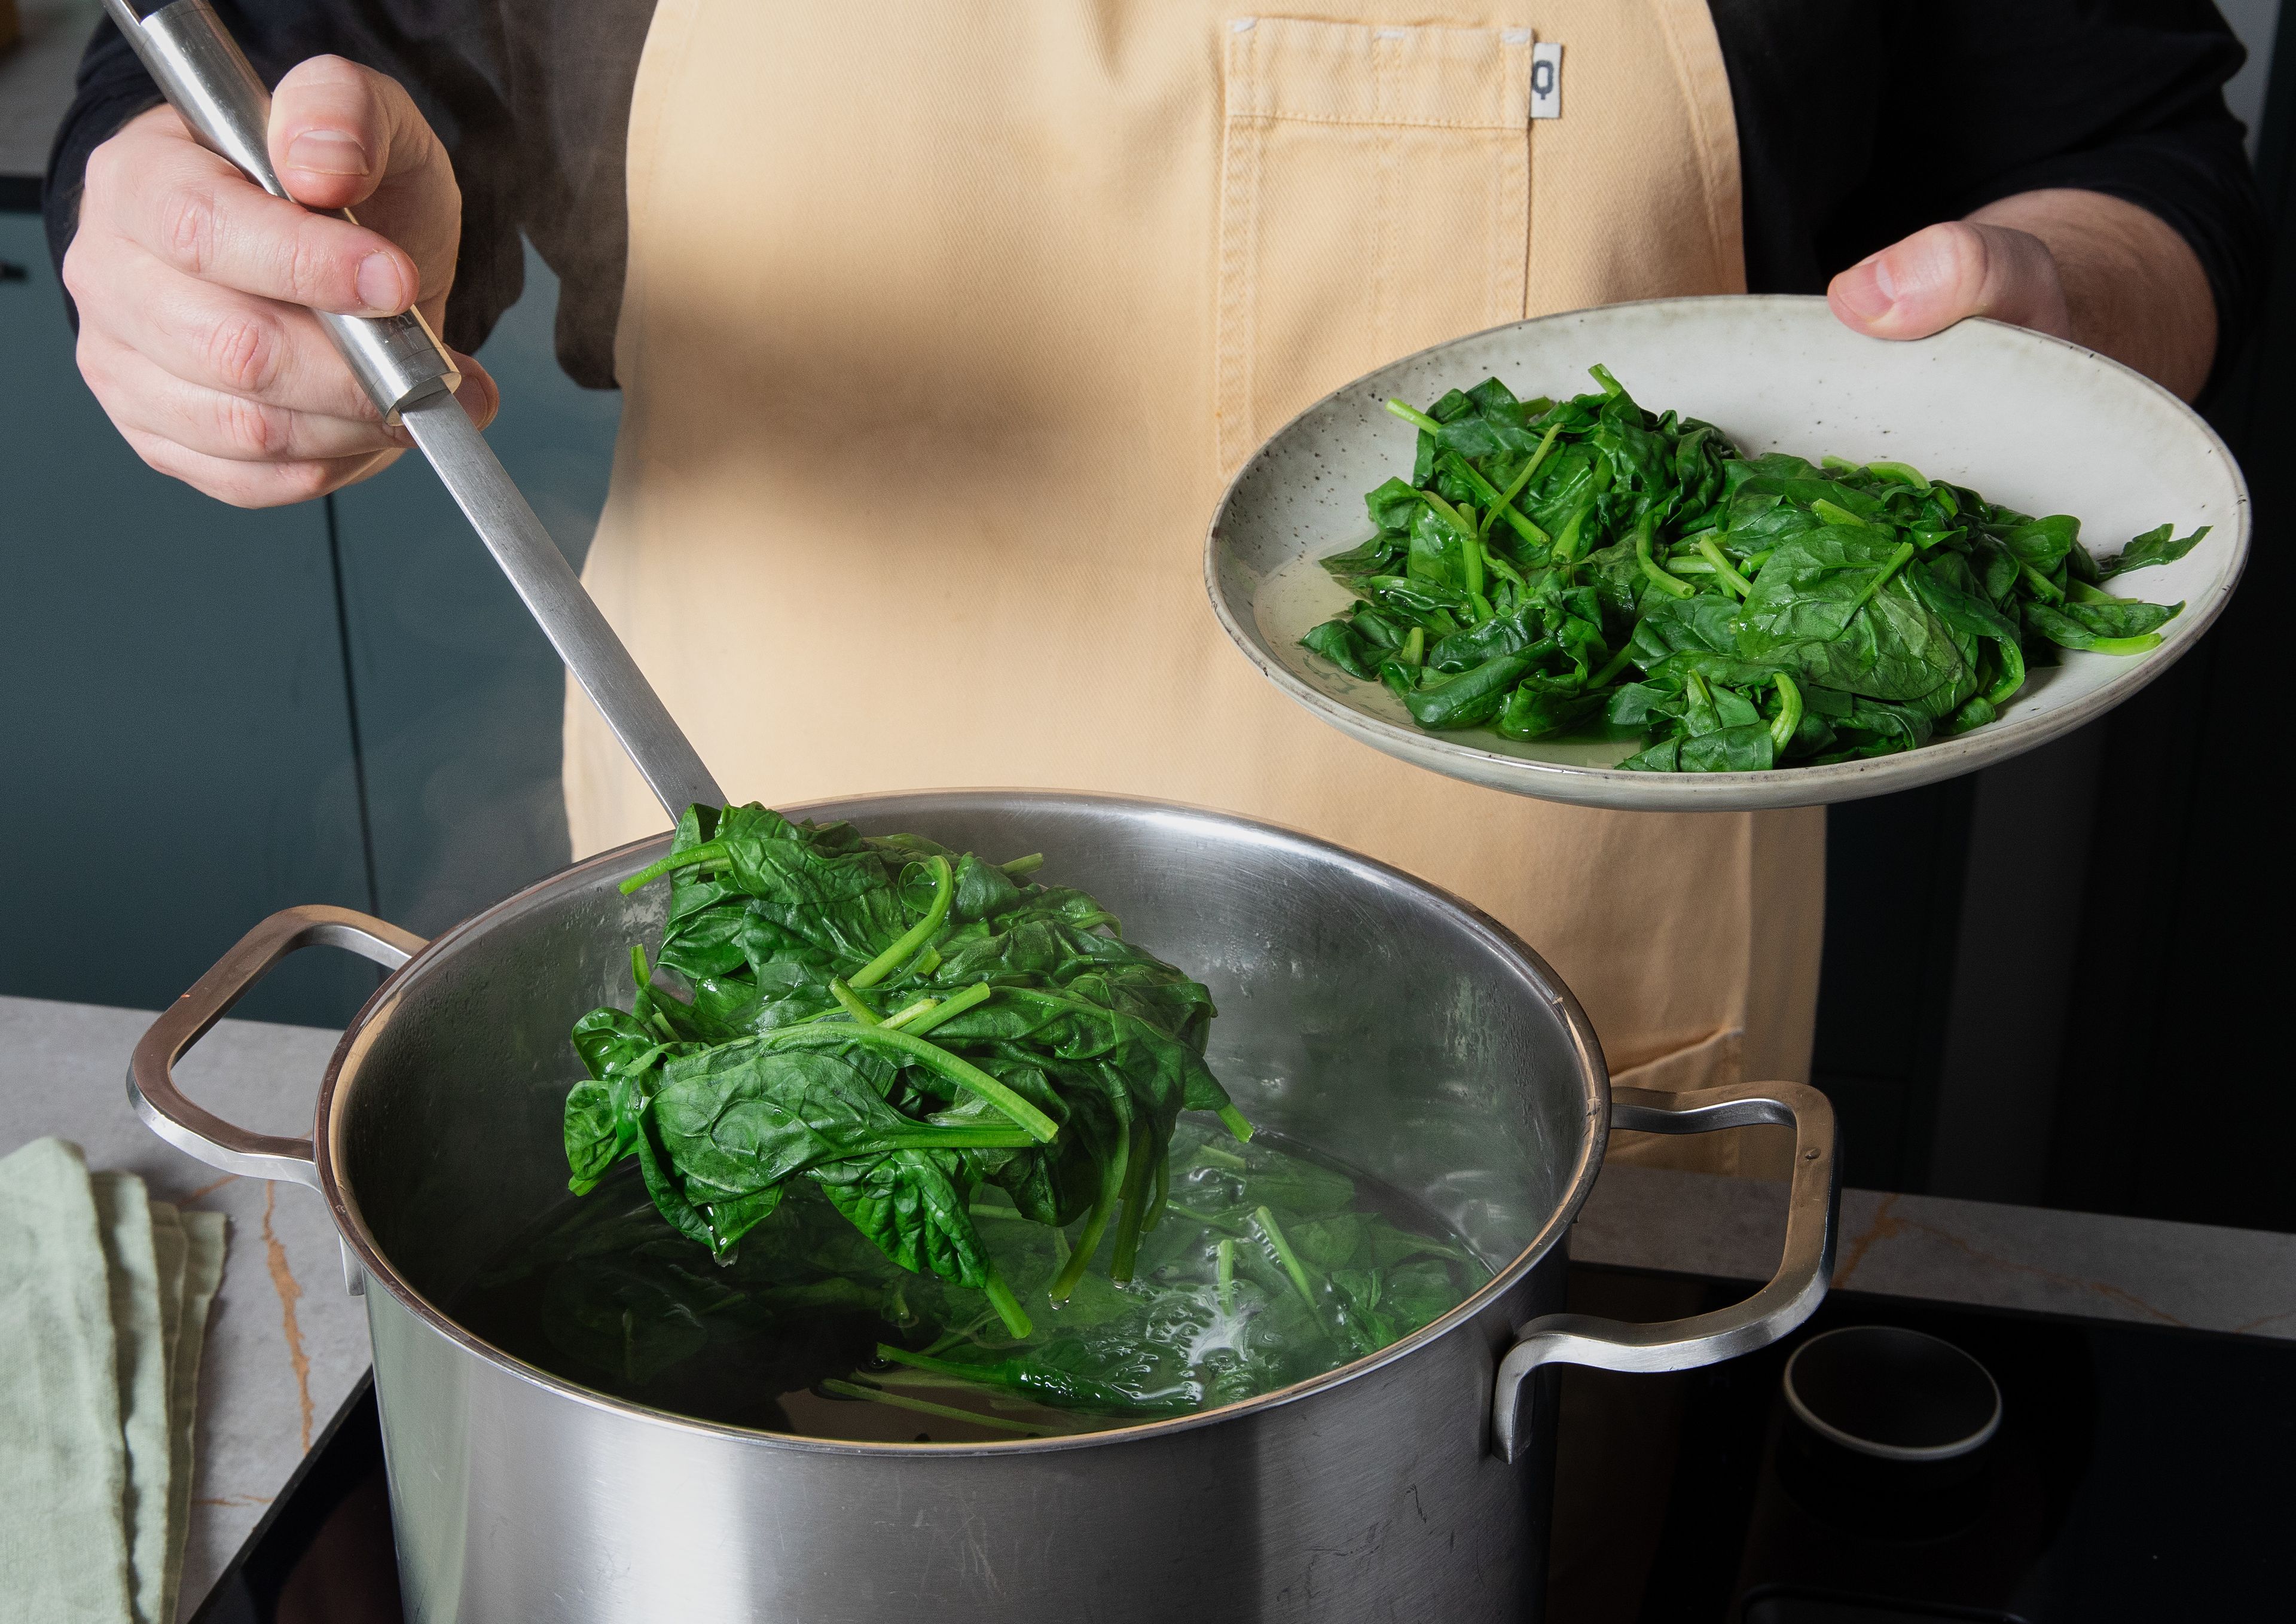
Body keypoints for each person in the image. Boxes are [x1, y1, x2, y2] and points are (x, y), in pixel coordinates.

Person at [47, 2, 2261, 1177]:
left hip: (1566, 1112)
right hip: (803, 1046)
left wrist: (2069, 321)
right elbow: (269, 63)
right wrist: (210, 239)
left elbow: (2127, 140)